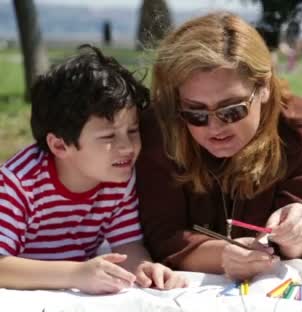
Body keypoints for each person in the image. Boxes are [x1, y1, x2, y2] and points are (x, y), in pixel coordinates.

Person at [137, 12, 302, 281]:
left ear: (263, 87)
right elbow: (162, 236)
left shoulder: (300, 128)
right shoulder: (158, 128)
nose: (215, 127)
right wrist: (224, 255)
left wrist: (299, 230)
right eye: (196, 113)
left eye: (232, 110)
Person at [0, 45, 187, 294]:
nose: (127, 147)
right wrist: (76, 274)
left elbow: (127, 244)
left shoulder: (118, 177)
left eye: (132, 131)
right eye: (109, 136)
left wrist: (143, 269)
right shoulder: (16, 185)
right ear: (59, 145)